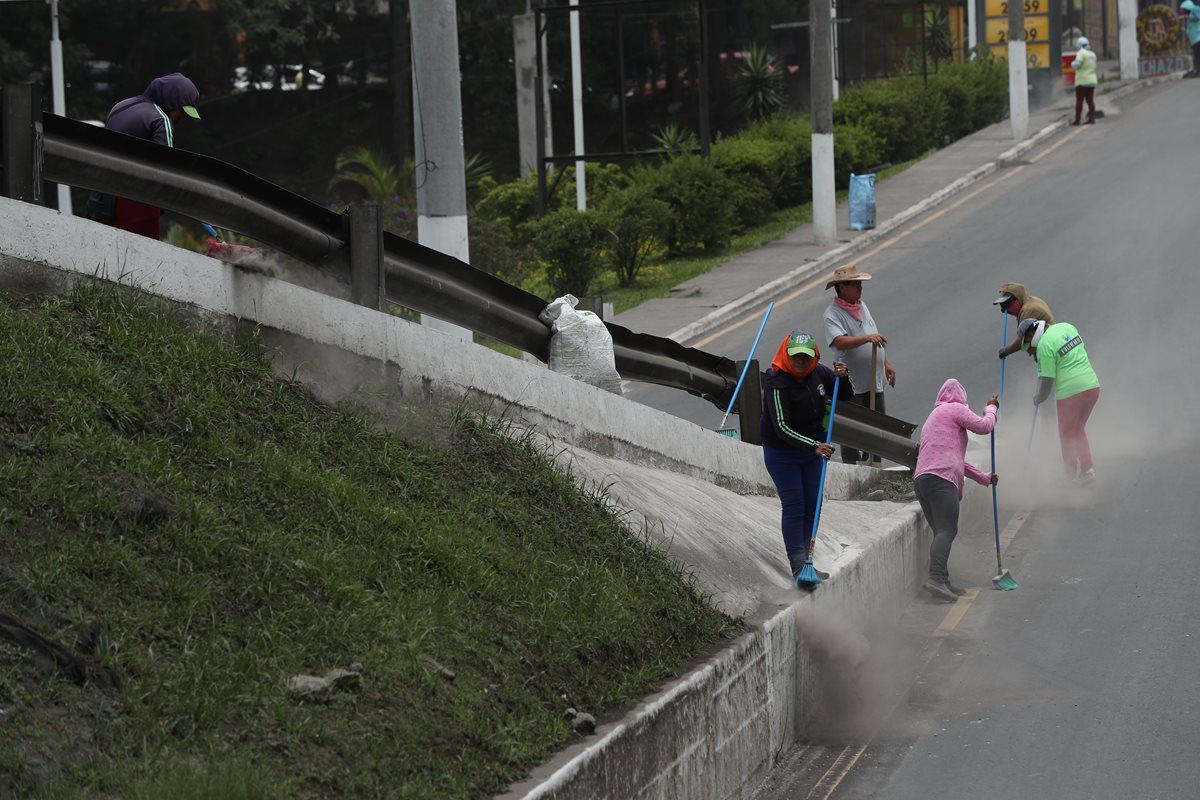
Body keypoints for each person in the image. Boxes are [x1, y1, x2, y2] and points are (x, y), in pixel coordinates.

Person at [761, 329, 855, 584]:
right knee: (795, 505)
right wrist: (813, 445)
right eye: (795, 357)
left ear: (814, 356)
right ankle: (798, 564)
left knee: (812, 506)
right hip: (783, 454)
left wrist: (842, 378)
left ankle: (808, 563)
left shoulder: (820, 373)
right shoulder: (777, 383)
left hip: (813, 452)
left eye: (805, 357)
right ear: (786, 355)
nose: (800, 362)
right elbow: (780, 426)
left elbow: (845, 394)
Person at [87, 72, 201, 239]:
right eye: (181, 112)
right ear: (172, 100)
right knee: (141, 261)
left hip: (103, 198)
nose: (181, 119)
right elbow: (167, 169)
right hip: (137, 203)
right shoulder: (161, 120)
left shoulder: (121, 106)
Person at [913, 380, 999, 602]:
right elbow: (984, 426)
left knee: (941, 530)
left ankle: (943, 580)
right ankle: (936, 579)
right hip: (942, 480)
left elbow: (957, 461)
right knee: (947, 531)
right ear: (961, 397)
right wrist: (991, 409)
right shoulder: (955, 408)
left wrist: (984, 478)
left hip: (923, 480)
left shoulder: (934, 418)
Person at [822, 264, 896, 465]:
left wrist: (886, 363)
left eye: (860, 283)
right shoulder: (833, 314)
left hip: (874, 379)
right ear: (842, 288)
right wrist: (866, 338)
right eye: (855, 284)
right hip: (852, 383)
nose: (860, 287)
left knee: (877, 426)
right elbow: (839, 341)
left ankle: (875, 464)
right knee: (852, 429)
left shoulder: (862, 306)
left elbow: (876, 337)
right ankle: (852, 467)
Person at [1018, 318, 1101, 483]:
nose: (1030, 347)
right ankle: (1088, 470)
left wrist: (1039, 398)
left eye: (1027, 341)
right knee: (1078, 429)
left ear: (1032, 333)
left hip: (1070, 392)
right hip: (1092, 386)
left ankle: (1069, 474)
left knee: (1067, 434)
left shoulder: (1043, 345)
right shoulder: (1067, 326)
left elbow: (1047, 380)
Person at [993, 282, 1055, 359]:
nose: (1006, 309)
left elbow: (1022, 340)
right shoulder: (1032, 300)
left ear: (1018, 299)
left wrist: (1006, 351)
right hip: (1049, 342)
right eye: (1003, 306)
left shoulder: (1028, 310)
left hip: (1047, 348)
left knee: (1048, 370)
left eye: (1008, 304)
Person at [1070, 37, 1098, 125]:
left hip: (1082, 81)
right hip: (1092, 80)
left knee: (1079, 100)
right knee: (1090, 100)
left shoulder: (1081, 52)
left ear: (1080, 45)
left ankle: (1077, 120)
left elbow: (1077, 64)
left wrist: (1072, 64)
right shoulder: (1092, 54)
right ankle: (1092, 119)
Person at [1183, 1, 1200, 78]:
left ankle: (1197, 71)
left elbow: (1197, 18)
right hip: (1194, 39)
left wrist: (1189, 17)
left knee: (1197, 56)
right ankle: (1196, 70)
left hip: (1198, 38)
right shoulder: (1190, 14)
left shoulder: (1195, 9)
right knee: (1196, 56)